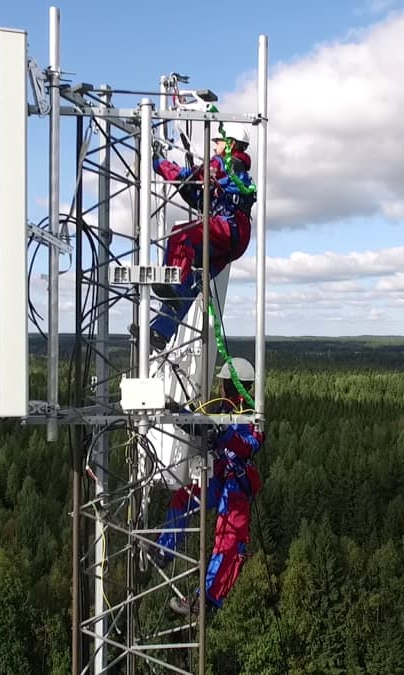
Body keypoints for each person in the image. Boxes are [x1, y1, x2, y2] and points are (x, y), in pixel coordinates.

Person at [153, 357, 263, 617]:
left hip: (236, 485)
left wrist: (223, 434)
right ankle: (164, 549)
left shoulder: (251, 415)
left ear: (232, 384)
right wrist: (177, 412)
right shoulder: (222, 410)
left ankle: (207, 599)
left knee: (229, 540)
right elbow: (201, 425)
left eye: (224, 383)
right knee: (184, 498)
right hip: (221, 478)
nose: (221, 387)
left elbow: (250, 444)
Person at [147, 122, 256, 351]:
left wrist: (159, 163)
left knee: (181, 235)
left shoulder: (223, 163)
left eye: (218, 141)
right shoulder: (235, 171)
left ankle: (171, 281)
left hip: (228, 228)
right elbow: (198, 194)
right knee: (193, 279)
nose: (215, 145)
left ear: (230, 143)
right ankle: (161, 332)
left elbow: (189, 176)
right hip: (234, 238)